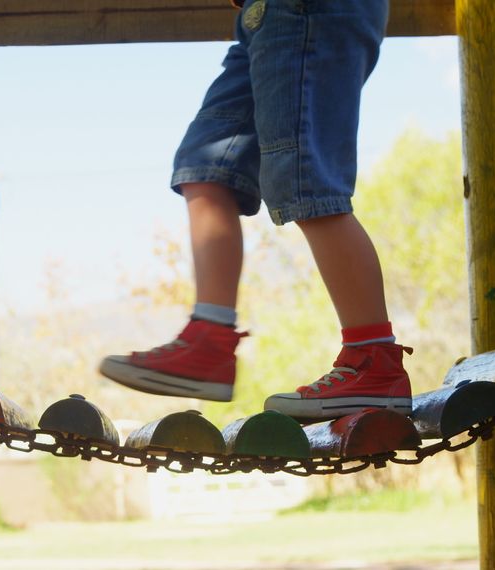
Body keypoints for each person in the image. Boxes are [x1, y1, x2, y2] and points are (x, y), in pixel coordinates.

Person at [98, 0, 411, 421]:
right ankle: (209, 339)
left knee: (306, 180)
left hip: (308, 9)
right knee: (205, 167)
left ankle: (374, 361)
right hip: (263, 16)